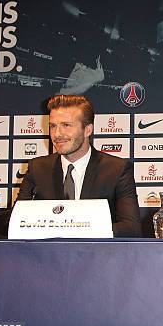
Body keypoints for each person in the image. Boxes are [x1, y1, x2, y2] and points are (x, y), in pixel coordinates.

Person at [16, 94, 141, 237]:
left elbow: (131, 228)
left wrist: (77, 229)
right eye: (53, 126)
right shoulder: (37, 168)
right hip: (47, 257)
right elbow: (13, 222)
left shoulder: (117, 169)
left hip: (97, 256)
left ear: (88, 130)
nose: (57, 134)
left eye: (66, 125)